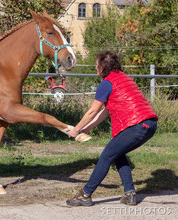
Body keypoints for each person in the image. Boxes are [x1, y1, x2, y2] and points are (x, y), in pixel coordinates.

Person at [66, 51, 158, 206]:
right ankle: (129, 194)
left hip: (135, 125)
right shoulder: (124, 78)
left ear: (102, 67)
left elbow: (92, 111)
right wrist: (86, 129)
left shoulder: (106, 83)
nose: (95, 67)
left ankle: (85, 195)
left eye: (96, 64)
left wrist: (76, 129)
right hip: (149, 124)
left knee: (106, 156)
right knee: (118, 154)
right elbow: (105, 112)